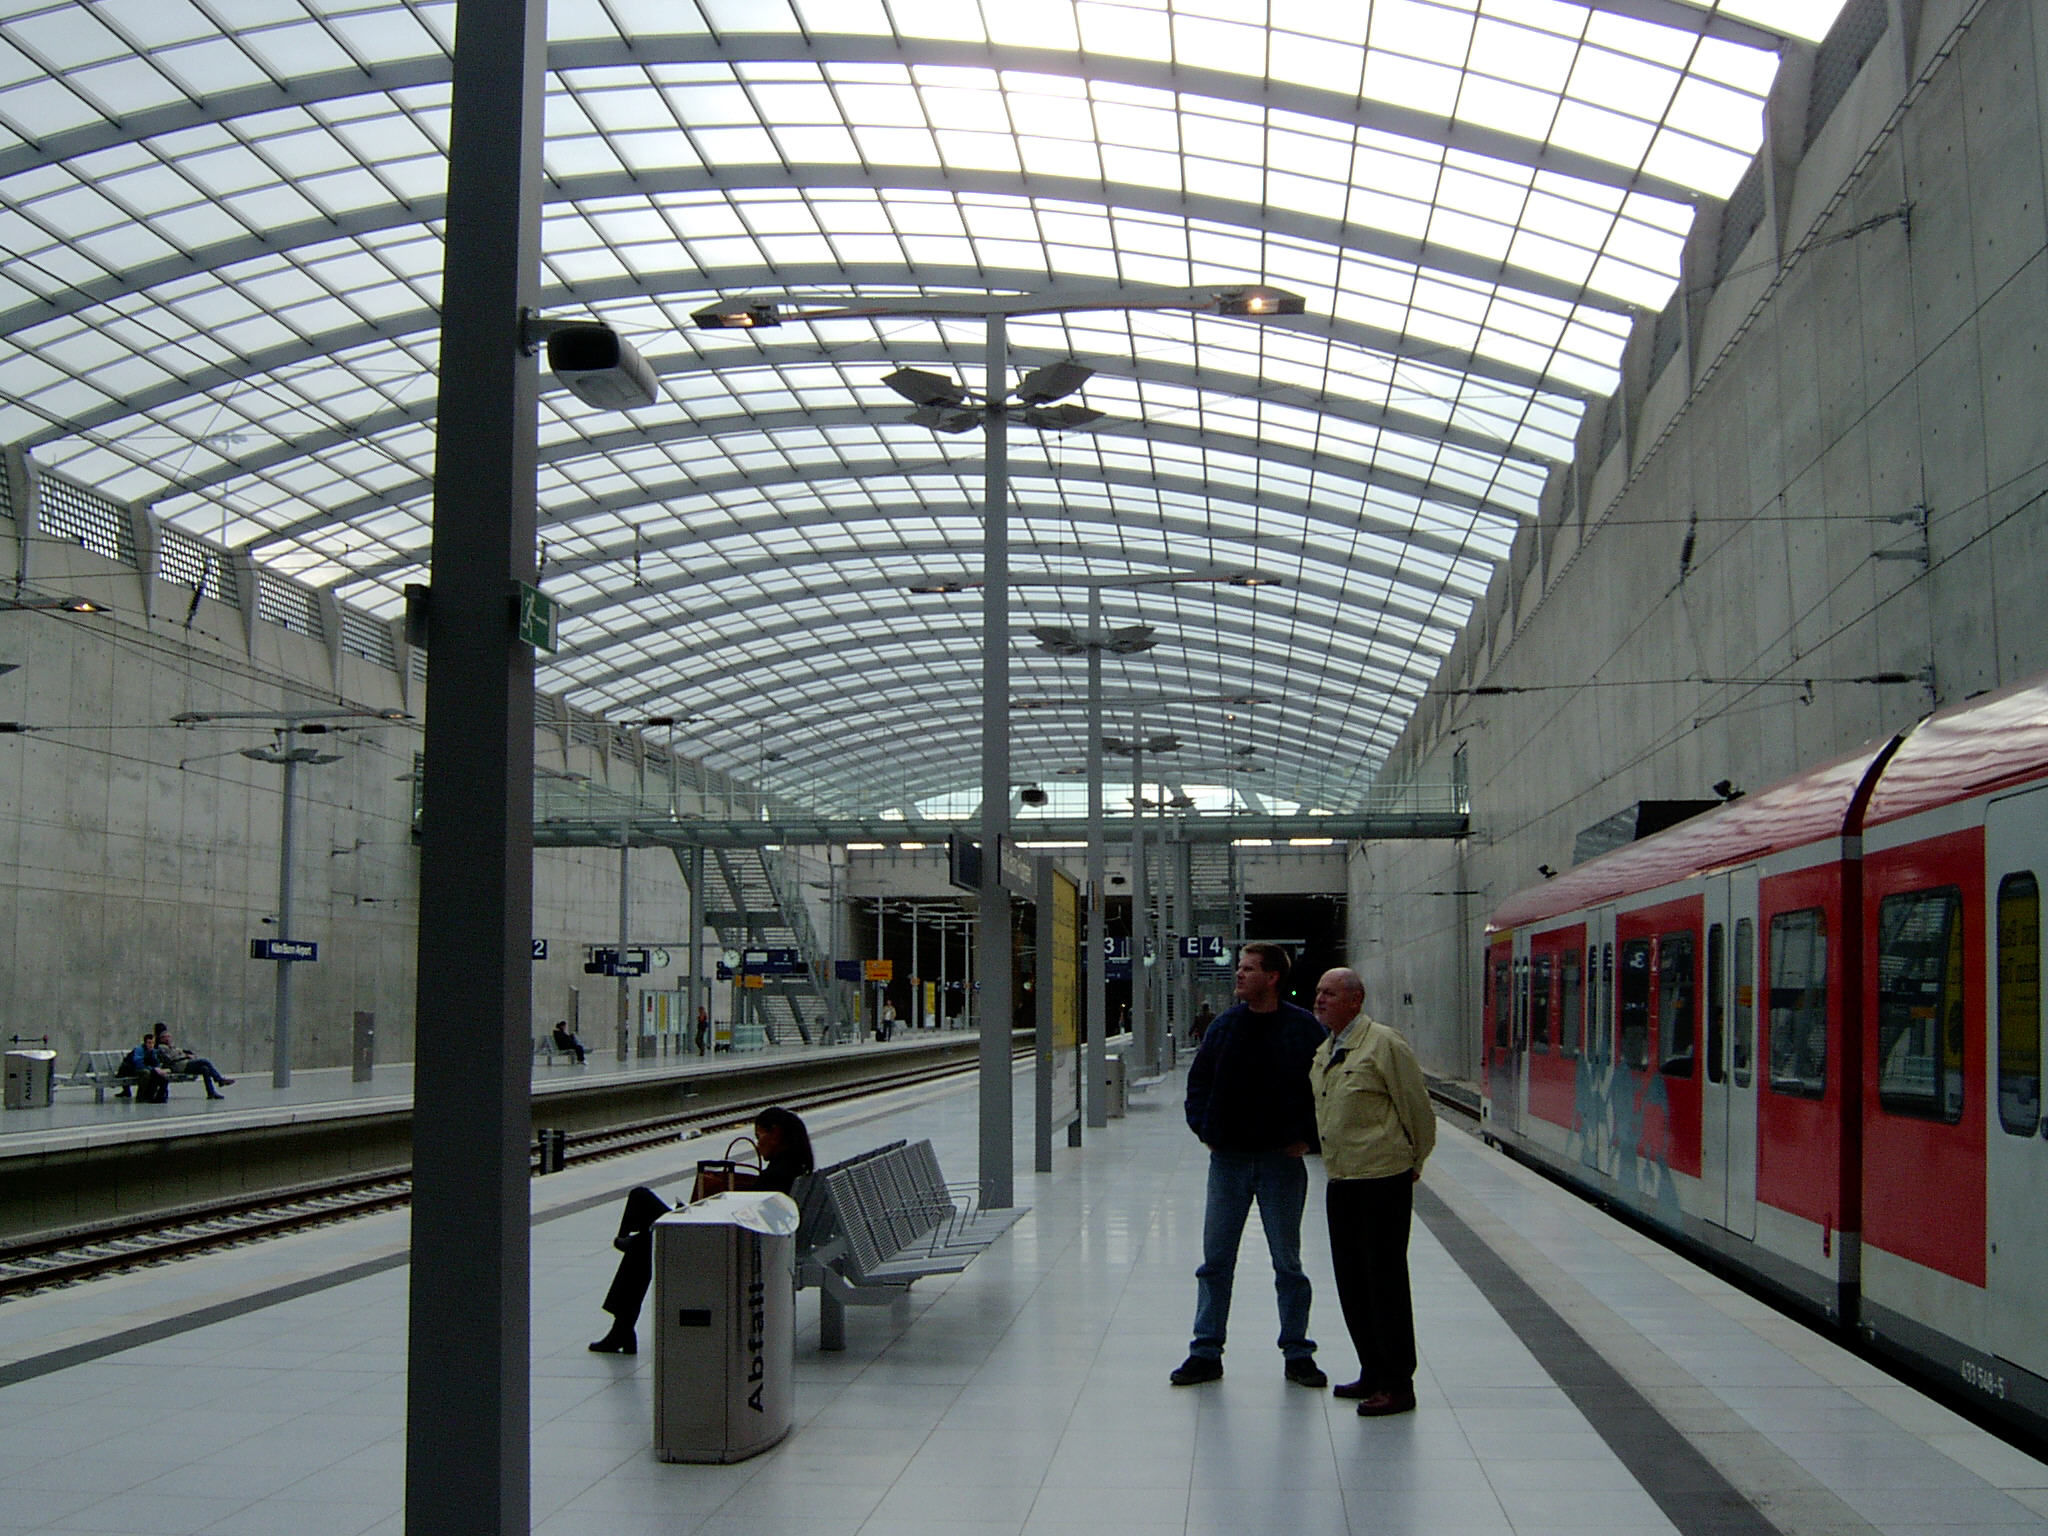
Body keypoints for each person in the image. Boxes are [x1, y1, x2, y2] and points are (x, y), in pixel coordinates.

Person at [1172, 942, 1328, 1388]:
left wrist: (1308, 1138)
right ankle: (1205, 1351)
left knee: (1288, 1263)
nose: (1238, 975)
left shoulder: (1303, 1030)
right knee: (1215, 1261)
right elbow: (1198, 1084)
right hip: (1229, 1162)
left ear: (1273, 977)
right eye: (1239, 968)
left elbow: (1325, 1091)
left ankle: (1297, 1352)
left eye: (1248, 969)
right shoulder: (1224, 1027)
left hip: (1282, 1162)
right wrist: (1207, 1131)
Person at [1309, 967, 1436, 1417]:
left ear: (1355, 1000)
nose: (1320, 999)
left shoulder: (1384, 1044)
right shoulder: (1327, 1049)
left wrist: (1413, 1162)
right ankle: (1372, 1369)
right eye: (1319, 992)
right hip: (1342, 1180)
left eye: (1330, 993)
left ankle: (1398, 1383)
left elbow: (1417, 1108)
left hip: (1382, 1179)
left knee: (1384, 1282)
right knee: (1352, 1281)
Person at [589, 1106, 814, 1355]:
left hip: (725, 1245)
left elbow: (743, 1217)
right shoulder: (794, 1167)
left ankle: (627, 1257)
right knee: (645, 1243)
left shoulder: (779, 1173)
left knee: (640, 1203)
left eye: (759, 1136)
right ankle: (624, 1316)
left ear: (776, 1133)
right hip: (742, 1240)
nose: (758, 1144)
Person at [152, 1024, 234, 1100]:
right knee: (204, 1061)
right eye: (166, 1037)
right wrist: (186, 1056)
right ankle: (219, 1080)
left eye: (169, 1036)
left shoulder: (171, 1046)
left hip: (184, 1063)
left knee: (204, 1069)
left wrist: (186, 1054)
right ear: (161, 1038)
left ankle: (211, 1092)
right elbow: (172, 1058)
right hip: (178, 1065)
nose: (168, 1038)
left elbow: (180, 1051)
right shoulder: (161, 1048)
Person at [118, 1029, 171, 1103]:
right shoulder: (139, 1050)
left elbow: (155, 1062)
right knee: (146, 1073)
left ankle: (156, 1095)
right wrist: (153, 1069)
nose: (151, 1045)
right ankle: (141, 1096)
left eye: (153, 1043)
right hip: (130, 1070)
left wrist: (158, 1069)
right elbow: (138, 1064)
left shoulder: (153, 1051)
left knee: (159, 1074)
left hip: (143, 1068)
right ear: (145, 1043)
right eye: (149, 1043)